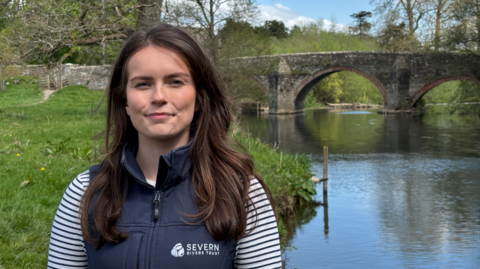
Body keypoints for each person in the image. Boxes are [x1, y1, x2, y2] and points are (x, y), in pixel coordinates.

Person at [47, 24, 282, 269]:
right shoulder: (84, 193)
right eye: (143, 84)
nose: (158, 96)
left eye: (175, 82)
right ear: (125, 101)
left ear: (199, 98)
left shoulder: (242, 191)